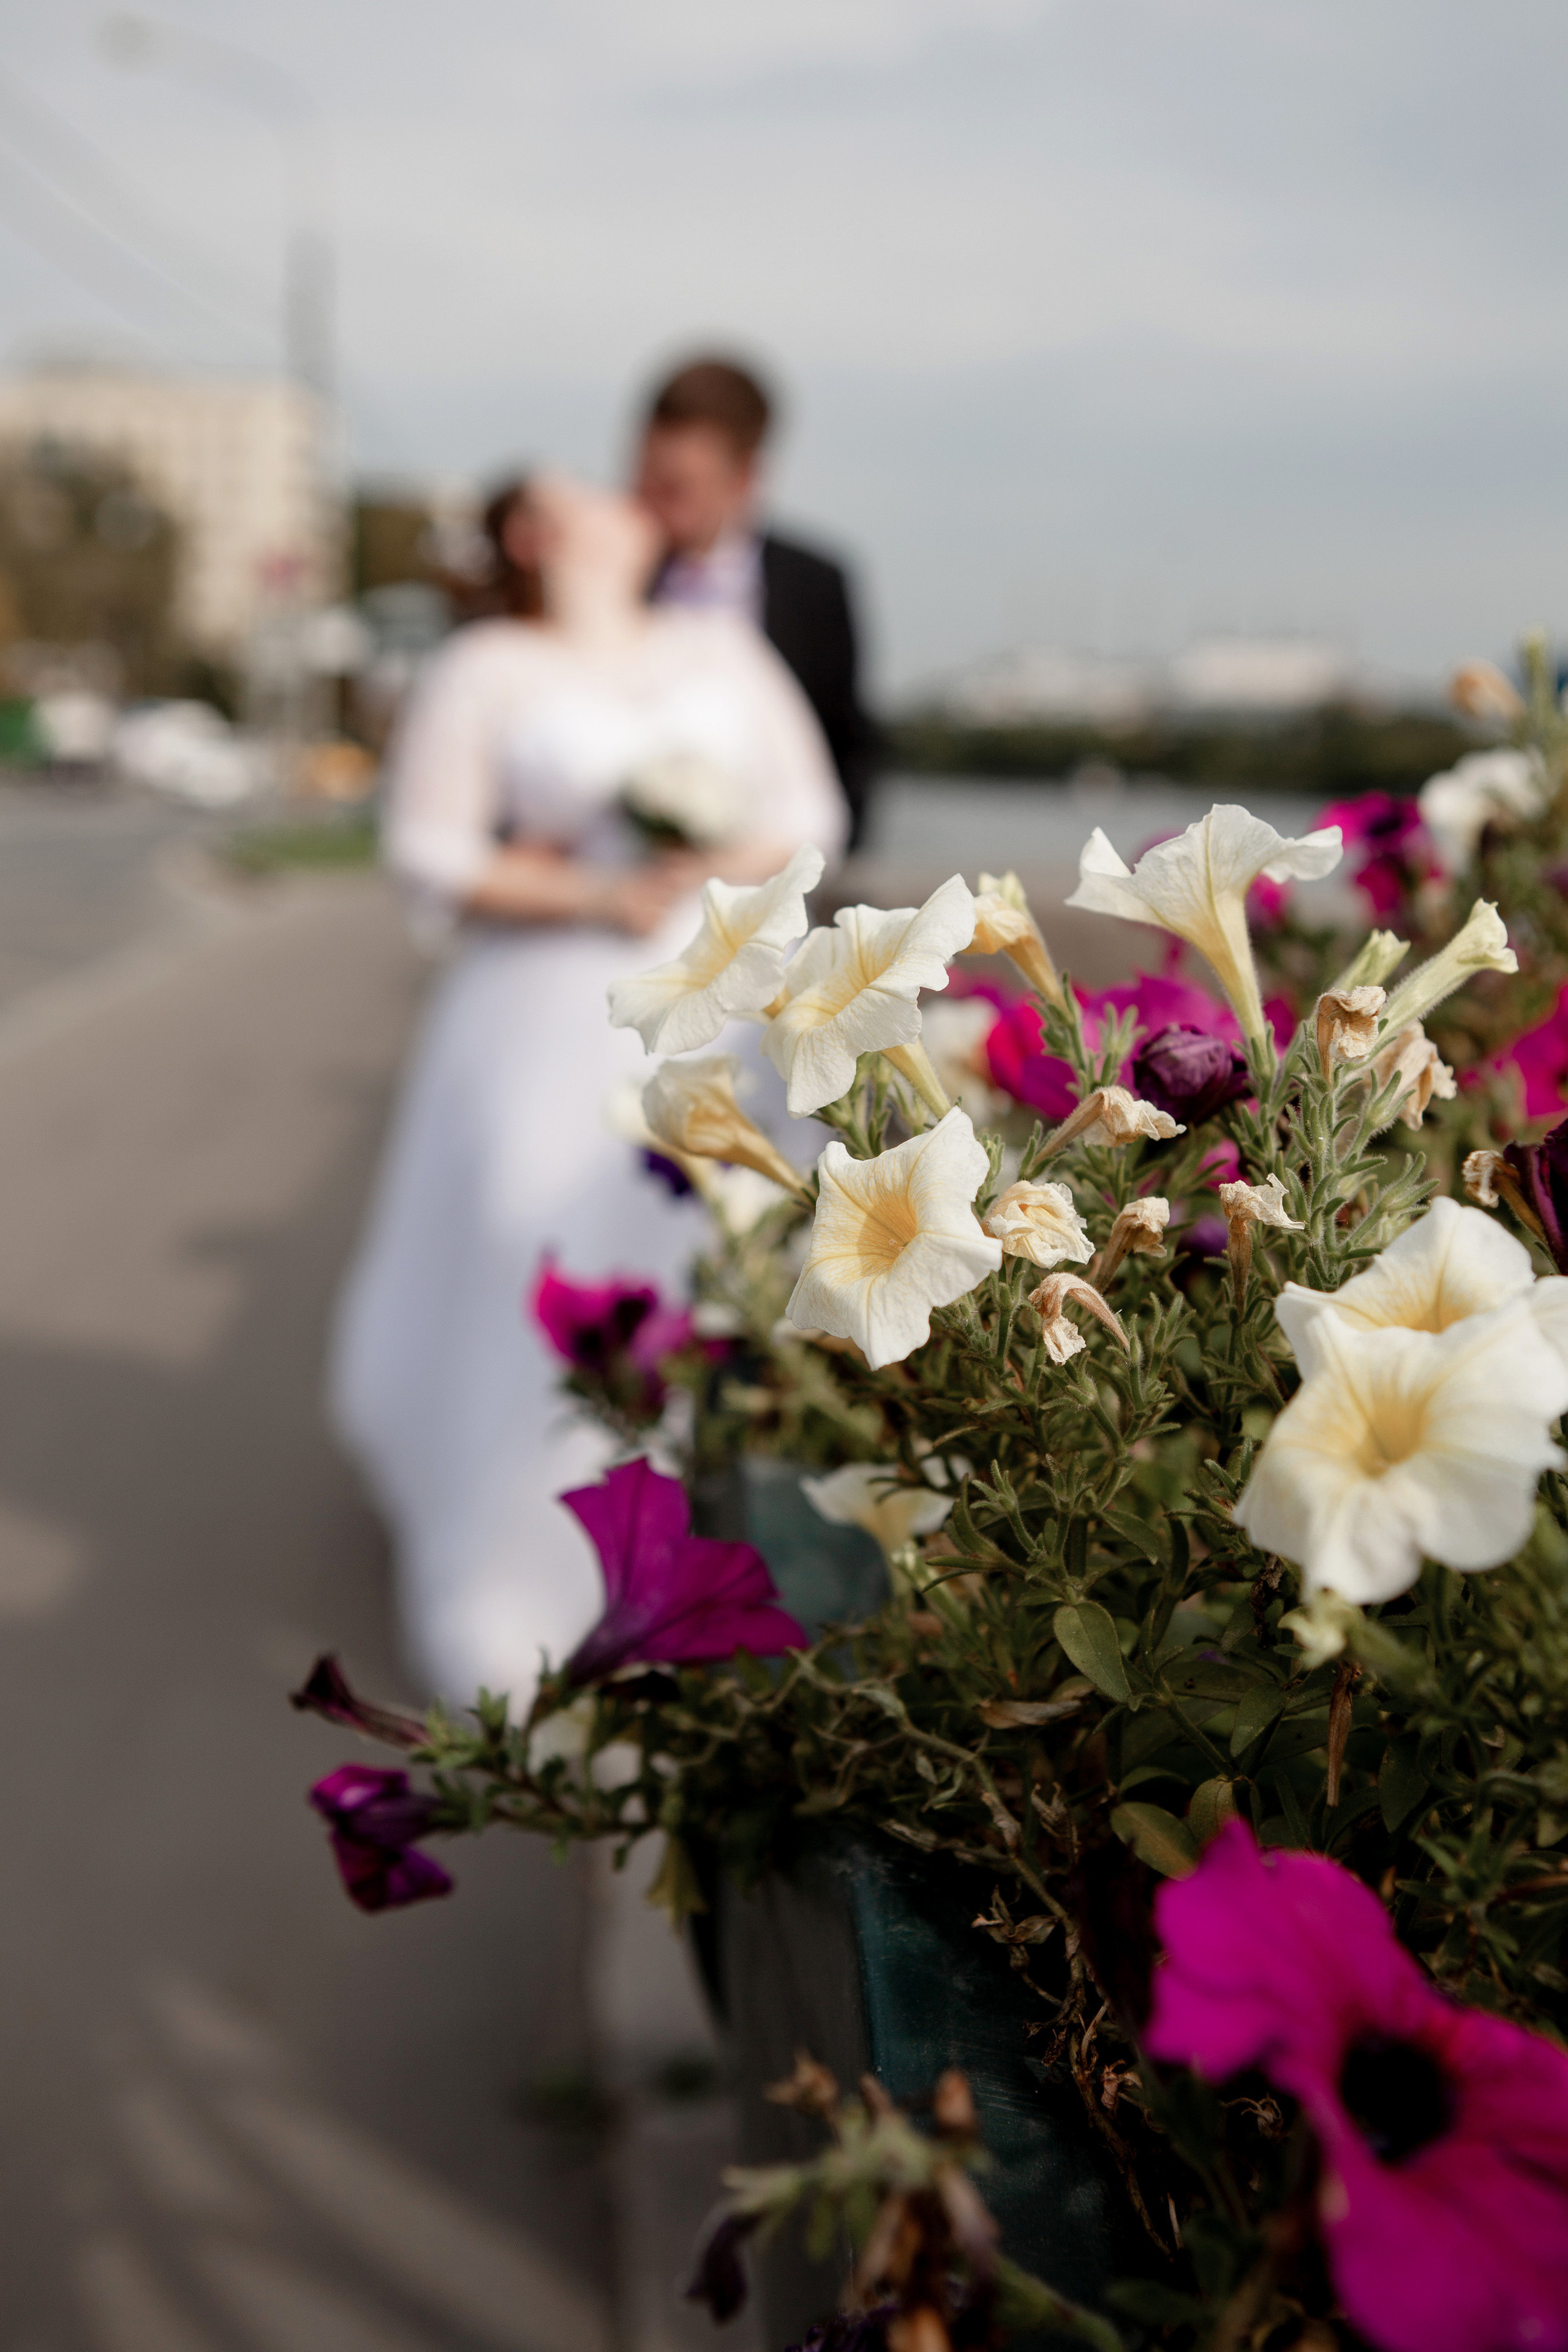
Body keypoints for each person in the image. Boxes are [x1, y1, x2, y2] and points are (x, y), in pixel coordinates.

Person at [330, 476, 845, 1703]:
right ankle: (523, 1576)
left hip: (709, 1001)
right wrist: (591, 895)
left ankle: (683, 1571)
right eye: (578, 490)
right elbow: (428, 849)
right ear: (530, 534)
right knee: (537, 1248)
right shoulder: (486, 666)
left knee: (699, 1268)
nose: (616, 497)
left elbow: (805, 806)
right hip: (544, 1007)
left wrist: (700, 865)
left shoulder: (719, 646)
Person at [634, 356, 880, 851]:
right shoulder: (604, 576)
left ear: (744, 476)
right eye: (646, 479)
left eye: (678, 489)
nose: (652, 504)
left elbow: (847, 744)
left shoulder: (816, 584)